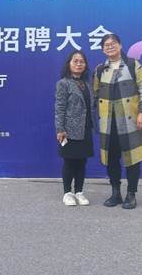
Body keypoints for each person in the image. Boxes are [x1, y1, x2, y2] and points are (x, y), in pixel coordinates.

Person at [93, 34, 142, 209]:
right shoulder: (99, 70)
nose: (110, 47)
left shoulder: (133, 65)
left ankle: (131, 194)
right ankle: (115, 193)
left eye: (113, 43)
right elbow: (95, 94)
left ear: (120, 45)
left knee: (133, 158)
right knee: (112, 158)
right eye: (106, 45)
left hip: (130, 120)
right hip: (108, 122)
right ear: (102, 49)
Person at [55, 50, 95, 206]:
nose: (79, 64)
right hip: (69, 130)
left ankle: (79, 192)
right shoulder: (63, 83)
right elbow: (60, 107)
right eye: (75, 61)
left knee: (82, 161)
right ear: (69, 64)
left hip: (85, 128)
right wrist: (60, 129)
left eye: (82, 61)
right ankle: (67, 193)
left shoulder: (88, 84)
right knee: (70, 161)